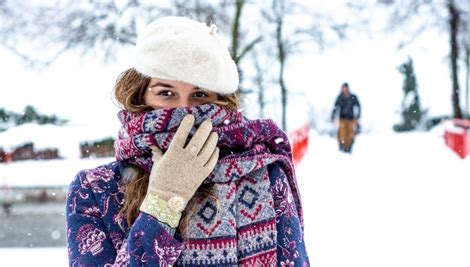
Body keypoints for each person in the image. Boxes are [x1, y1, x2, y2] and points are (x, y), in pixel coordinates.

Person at [66, 16, 309, 266]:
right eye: (166, 93)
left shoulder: (264, 175)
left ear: (220, 101)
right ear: (140, 96)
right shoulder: (95, 190)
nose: (184, 110)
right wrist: (163, 204)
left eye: (200, 94)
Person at [331, 82, 361, 153]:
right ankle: (341, 145)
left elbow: (358, 106)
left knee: (350, 133)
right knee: (341, 132)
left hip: (351, 119)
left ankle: (349, 147)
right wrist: (333, 116)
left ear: (347, 88)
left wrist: (358, 116)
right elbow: (336, 107)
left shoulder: (353, 97)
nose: (344, 89)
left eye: (345, 88)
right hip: (342, 118)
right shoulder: (340, 97)